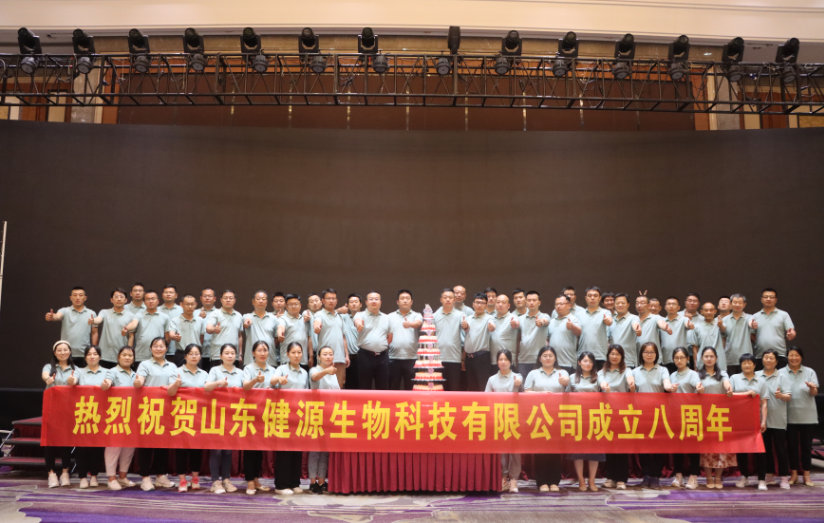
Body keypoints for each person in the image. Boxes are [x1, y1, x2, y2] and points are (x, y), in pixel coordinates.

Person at [134, 337, 177, 491]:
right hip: (148, 408)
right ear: (151, 348)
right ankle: (145, 478)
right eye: (155, 346)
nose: (158, 348)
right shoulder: (145, 364)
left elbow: (173, 385)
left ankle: (160, 476)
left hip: (166, 410)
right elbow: (139, 381)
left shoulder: (172, 366)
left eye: (161, 346)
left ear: (166, 349)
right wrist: (138, 382)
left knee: (162, 445)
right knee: (146, 444)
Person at [524, 346, 569, 492]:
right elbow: (526, 392)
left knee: (555, 449)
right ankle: (542, 481)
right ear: (540, 358)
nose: (548, 358)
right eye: (545, 355)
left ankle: (554, 481)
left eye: (550, 355)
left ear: (555, 358)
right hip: (539, 416)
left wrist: (566, 382)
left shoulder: (562, 373)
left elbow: (569, 388)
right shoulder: (533, 373)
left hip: (557, 416)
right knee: (541, 449)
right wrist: (541, 394)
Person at [167, 343, 209, 493]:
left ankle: (195, 478)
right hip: (182, 415)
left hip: (198, 416)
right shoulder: (176, 372)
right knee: (182, 449)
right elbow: (170, 392)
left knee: (197, 449)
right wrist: (176, 384)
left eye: (197, 353)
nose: (194, 356)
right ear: (185, 356)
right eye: (191, 353)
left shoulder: (204, 374)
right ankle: (182, 480)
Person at [205, 343, 244, 494]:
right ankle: (215, 481)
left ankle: (226, 479)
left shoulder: (240, 372)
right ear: (220, 356)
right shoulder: (215, 370)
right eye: (226, 353)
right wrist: (219, 383)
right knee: (216, 450)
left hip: (233, 415)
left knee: (228, 450)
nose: (229, 356)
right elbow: (207, 387)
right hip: (216, 414)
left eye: (232, 353)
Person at [272, 342, 310, 495]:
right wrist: (279, 380)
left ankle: (295, 482)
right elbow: (272, 381)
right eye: (293, 352)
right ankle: (281, 485)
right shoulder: (281, 369)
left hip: (299, 415)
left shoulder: (304, 372)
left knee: (297, 450)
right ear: (287, 354)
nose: (296, 355)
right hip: (284, 414)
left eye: (299, 352)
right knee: (284, 451)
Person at [632, 342, 672, 489]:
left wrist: (670, 388)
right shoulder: (635, 371)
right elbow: (631, 391)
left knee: (658, 446)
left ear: (657, 354)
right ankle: (647, 475)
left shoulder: (663, 370)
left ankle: (655, 476)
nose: (649, 354)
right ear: (641, 354)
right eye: (646, 352)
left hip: (659, 414)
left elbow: (666, 385)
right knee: (643, 446)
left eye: (652, 352)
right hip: (641, 414)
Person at [241, 341, 278, 495]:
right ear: (253, 353)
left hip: (266, 413)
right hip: (251, 413)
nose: (262, 353)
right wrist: (256, 380)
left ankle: (256, 479)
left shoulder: (273, 370)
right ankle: (250, 481)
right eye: (259, 350)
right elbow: (245, 386)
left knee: (260, 448)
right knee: (250, 448)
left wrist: (273, 390)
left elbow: (277, 389)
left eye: (265, 350)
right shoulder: (248, 368)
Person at [598, 344, 635, 490]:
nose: (614, 356)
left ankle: (621, 479)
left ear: (622, 357)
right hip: (607, 412)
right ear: (608, 356)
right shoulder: (602, 371)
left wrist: (631, 384)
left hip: (622, 413)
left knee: (622, 446)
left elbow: (630, 379)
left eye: (617, 354)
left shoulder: (627, 370)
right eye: (612, 354)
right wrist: (604, 386)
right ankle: (611, 477)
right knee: (610, 446)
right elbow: (601, 382)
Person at [565, 351, 605, 492]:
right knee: (578, 452)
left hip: (594, 417)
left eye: (590, 361)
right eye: (585, 361)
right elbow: (566, 396)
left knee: (594, 452)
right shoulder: (571, 378)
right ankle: (581, 480)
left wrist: (606, 387)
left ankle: (592, 481)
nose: (588, 364)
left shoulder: (598, 377)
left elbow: (604, 389)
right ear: (579, 362)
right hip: (577, 418)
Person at [100, 346, 138, 490]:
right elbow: (107, 383)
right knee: (114, 446)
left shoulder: (136, 375)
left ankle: (123, 476)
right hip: (116, 413)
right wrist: (106, 384)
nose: (127, 357)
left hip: (132, 414)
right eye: (124, 355)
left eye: (130, 355)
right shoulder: (112, 372)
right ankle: (111, 478)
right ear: (118, 357)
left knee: (129, 447)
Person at [485, 349, 523, 493]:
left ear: (511, 362)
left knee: (515, 451)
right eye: (500, 359)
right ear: (497, 362)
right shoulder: (492, 379)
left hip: (514, 419)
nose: (503, 362)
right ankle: (503, 479)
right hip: (498, 419)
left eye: (506, 359)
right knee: (501, 450)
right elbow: (486, 399)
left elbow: (524, 393)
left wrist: (519, 383)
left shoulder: (517, 377)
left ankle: (514, 480)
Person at [730, 353, 769, 490]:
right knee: (742, 450)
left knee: (760, 451)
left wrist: (764, 421)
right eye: (744, 363)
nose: (747, 365)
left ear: (754, 365)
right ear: (740, 365)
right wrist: (746, 394)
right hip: (739, 421)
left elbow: (764, 403)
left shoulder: (761, 381)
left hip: (755, 421)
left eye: (749, 363)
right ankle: (744, 477)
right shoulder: (734, 378)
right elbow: (729, 396)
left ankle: (761, 480)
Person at [696, 346, 734, 489]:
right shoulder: (698, 375)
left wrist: (729, 388)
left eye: (711, 356)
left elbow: (727, 384)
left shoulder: (723, 374)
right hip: (705, 416)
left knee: (721, 448)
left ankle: (717, 477)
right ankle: (708, 478)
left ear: (716, 358)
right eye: (706, 356)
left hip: (720, 415)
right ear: (702, 358)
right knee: (706, 449)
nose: (709, 359)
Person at [781, 346, 818, 487]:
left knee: (806, 447)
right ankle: (794, 474)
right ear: (787, 357)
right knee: (792, 447)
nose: (794, 358)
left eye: (796, 355)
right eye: (791, 355)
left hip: (807, 416)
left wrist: (812, 387)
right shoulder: (781, 373)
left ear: (801, 357)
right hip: (788, 416)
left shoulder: (810, 372)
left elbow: (814, 393)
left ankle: (807, 475)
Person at [42, 340, 76, 488]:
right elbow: (45, 376)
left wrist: (73, 381)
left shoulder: (75, 369)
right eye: (59, 350)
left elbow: (76, 382)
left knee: (65, 443)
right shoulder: (49, 367)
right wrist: (48, 379)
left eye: (65, 350)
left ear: (70, 352)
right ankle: (51, 474)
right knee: (50, 443)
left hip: (68, 411)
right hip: (51, 410)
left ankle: (65, 473)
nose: (62, 352)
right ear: (55, 353)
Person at [667, 347, 703, 490]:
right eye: (676, 358)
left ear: (688, 359)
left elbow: (698, 386)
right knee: (678, 447)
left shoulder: (693, 374)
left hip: (691, 415)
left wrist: (699, 388)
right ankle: (679, 476)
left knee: (693, 447)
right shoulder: (672, 375)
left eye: (682, 357)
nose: (679, 360)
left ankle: (693, 477)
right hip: (676, 415)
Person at [757, 348, 792, 489]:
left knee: (780, 449)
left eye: (771, 358)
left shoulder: (782, 376)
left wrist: (781, 396)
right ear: (762, 360)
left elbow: (788, 396)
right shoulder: (756, 375)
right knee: (765, 450)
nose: (768, 360)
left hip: (778, 419)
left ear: (776, 361)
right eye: (766, 357)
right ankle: (769, 475)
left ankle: (784, 477)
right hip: (761, 420)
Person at [75, 345, 107, 488]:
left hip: (100, 414)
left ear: (100, 356)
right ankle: (82, 477)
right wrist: (72, 381)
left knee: (97, 447)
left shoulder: (107, 372)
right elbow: (73, 381)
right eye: (89, 354)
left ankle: (94, 475)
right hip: (83, 413)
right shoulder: (78, 371)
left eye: (95, 354)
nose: (92, 356)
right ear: (85, 357)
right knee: (82, 447)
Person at [309, 346, 339, 493]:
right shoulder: (315, 370)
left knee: (325, 450)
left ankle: (321, 481)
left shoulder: (333, 373)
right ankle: (312, 482)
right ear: (319, 357)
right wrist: (326, 371)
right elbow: (314, 377)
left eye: (330, 354)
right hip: (317, 414)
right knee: (315, 449)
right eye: (325, 354)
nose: (328, 356)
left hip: (330, 414)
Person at [44, 287, 96, 367]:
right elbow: (58, 316)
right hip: (66, 353)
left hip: (84, 354)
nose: (77, 298)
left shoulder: (91, 313)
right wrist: (52, 317)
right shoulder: (64, 311)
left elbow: (94, 333)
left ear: (85, 298)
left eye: (80, 295)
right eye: (75, 295)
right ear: (71, 298)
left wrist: (94, 349)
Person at [90, 288, 137, 368]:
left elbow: (131, 337)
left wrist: (128, 354)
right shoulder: (104, 312)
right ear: (111, 300)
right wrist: (94, 320)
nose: (119, 299)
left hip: (121, 357)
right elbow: (99, 319)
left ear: (126, 300)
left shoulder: (131, 316)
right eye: (116, 296)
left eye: (121, 297)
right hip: (104, 356)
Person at [354, 291, 392, 390]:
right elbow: (357, 321)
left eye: (376, 299)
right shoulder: (360, 315)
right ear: (366, 302)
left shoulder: (387, 317)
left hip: (382, 356)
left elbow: (390, 337)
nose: (374, 301)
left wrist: (380, 346)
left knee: (383, 387)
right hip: (365, 356)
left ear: (380, 302)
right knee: (364, 386)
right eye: (371, 299)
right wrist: (359, 324)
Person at [752, 288, 796, 370]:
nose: (768, 299)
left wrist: (791, 334)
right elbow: (752, 335)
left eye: (771, 297)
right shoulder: (755, 316)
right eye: (766, 297)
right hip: (760, 355)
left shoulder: (784, 315)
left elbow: (791, 331)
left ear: (776, 300)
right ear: (761, 299)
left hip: (779, 355)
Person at [314, 289, 349, 388]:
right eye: (328, 298)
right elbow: (317, 322)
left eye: (333, 298)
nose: (331, 301)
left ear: (336, 301)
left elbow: (343, 337)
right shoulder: (319, 314)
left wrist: (346, 355)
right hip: (325, 358)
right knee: (324, 386)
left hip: (340, 357)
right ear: (323, 300)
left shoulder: (339, 317)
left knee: (339, 386)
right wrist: (316, 327)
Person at [388, 290, 422, 391]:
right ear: (397, 302)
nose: (405, 300)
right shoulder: (389, 317)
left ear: (411, 302)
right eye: (402, 298)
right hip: (393, 358)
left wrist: (410, 324)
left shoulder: (417, 315)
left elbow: (418, 323)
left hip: (412, 358)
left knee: (411, 389)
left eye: (407, 298)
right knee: (393, 388)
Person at [461, 293, 495, 392]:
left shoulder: (489, 318)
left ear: (486, 305)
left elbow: (492, 326)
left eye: (482, 303)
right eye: (477, 302)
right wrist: (463, 360)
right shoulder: (468, 319)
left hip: (482, 358)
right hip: (469, 358)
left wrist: (492, 327)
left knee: (483, 386)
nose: (479, 305)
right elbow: (467, 330)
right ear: (473, 304)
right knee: (471, 387)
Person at [434, 288, 463, 391]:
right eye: (445, 297)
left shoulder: (461, 315)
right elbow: (430, 336)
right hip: (437, 360)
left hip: (454, 359)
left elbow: (466, 335)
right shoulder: (434, 316)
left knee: (453, 389)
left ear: (454, 300)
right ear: (441, 299)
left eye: (450, 297)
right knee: (438, 390)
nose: (447, 299)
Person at [577, 287, 613, 369]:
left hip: (599, 355)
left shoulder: (605, 312)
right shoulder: (579, 314)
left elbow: (609, 320)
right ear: (586, 298)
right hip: (582, 355)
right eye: (590, 296)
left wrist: (608, 321)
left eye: (595, 296)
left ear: (599, 298)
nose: (592, 298)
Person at [132, 291, 171, 366]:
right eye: (148, 299)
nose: (151, 301)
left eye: (153, 299)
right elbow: (133, 326)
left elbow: (167, 338)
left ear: (158, 301)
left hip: (158, 356)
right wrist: (127, 328)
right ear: (144, 302)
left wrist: (161, 349)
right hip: (140, 355)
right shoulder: (138, 315)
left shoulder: (165, 317)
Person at [517, 291, 550, 378]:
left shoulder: (544, 316)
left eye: (534, 300)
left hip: (539, 359)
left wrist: (541, 322)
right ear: (526, 302)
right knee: (524, 385)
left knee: (539, 384)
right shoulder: (520, 319)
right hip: (523, 359)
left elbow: (545, 321)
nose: (531, 302)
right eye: (529, 300)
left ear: (539, 302)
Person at [277, 294, 314, 370]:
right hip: (287, 360)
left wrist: (311, 356)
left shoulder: (305, 320)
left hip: (303, 360)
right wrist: (280, 335)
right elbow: (281, 327)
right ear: (286, 306)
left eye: (296, 304)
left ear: (300, 305)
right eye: (290, 304)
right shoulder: (283, 319)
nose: (294, 306)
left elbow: (309, 338)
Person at [719, 294, 753, 375]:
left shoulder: (749, 317)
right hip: (730, 359)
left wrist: (753, 324)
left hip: (746, 359)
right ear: (730, 304)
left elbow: (751, 323)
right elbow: (723, 333)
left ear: (744, 305)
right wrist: (720, 326)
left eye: (740, 303)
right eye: (735, 302)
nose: (737, 305)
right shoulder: (725, 319)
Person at [242, 290, 278, 366]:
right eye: (258, 299)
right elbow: (247, 322)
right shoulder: (247, 316)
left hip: (270, 360)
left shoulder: (273, 318)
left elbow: (276, 338)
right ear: (253, 302)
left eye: (263, 299)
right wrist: (247, 323)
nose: (261, 301)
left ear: (266, 302)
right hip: (251, 360)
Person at [547, 295, 582, 374]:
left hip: (568, 362)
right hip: (553, 363)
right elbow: (547, 339)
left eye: (561, 304)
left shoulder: (574, 319)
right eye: (556, 304)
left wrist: (572, 326)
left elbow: (579, 332)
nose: (558, 306)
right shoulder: (551, 321)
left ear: (569, 305)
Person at [168, 294, 204, 368]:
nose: (190, 307)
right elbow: (171, 334)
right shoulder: (175, 320)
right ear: (181, 305)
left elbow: (201, 338)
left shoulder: (200, 320)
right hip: (181, 353)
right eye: (187, 304)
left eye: (192, 304)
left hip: (196, 354)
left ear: (196, 304)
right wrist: (174, 336)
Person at [660, 297, 694, 373]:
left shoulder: (684, 319)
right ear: (665, 307)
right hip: (666, 359)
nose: (671, 306)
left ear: (678, 307)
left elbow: (687, 324)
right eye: (669, 304)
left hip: (682, 360)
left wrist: (689, 325)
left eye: (674, 304)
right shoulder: (661, 322)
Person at [608, 294, 641, 368]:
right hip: (613, 362)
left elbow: (635, 324)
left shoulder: (633, 318)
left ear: (628, 304)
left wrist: (637, 329)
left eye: (623, 303)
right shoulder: (611, 320)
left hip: (628, 361)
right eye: (617, 303)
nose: (620, 305)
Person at [490, 293, 519, 376]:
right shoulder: (491, 318)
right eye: (498, 302)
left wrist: (515, 324)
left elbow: (516, 324)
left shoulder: (513, 317)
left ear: (508, 305)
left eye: (503, 302)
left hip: (508, 360)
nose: (500, 304)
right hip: (493, 360)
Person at [635, 295, 670, 365]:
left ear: (648, 305)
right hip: (638, 359)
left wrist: (665, 327)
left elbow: (661, 323)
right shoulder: (633, 319)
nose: (639, 305)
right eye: (637, 303)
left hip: (654, 359)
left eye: (642, 303)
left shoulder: (655, 318)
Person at [691, 302, 726, 372]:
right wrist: (695, 365)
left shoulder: (720, 323)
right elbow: (695, 348)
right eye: (706, 310)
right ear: (701, 312)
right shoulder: (697, 327)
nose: (709, 312)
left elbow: (724, 330)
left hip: (719, 363)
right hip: (702, 364)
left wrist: (721, 326)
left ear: (715, 311)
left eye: (711, 310)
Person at [341, 293, 362, 389]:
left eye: (356, 302)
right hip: (349, 358)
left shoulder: (365, 317)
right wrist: (340, 310)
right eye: (351, 302)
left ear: (361, 304)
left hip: (363, 357)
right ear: (348, 305)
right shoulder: (344, 317)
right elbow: (330, 314)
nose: (354, 304)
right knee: (349, 385)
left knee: (362, 385)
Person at [160, 285, 184, 362]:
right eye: (166, 292)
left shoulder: (183, 311)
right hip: (159, 350)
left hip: (178, 350)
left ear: (176, 295)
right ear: (162, 295)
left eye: (171, 292)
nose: (168, 294)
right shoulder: (156, 310)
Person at [195, 287, 218, 368]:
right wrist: (198, 318)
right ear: (201, 298)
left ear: (215, 299)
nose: (207, 298)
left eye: (210, 296)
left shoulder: (220, 313)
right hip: (197, 352)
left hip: (215, 353)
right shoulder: (194, 313)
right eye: (205, 296)